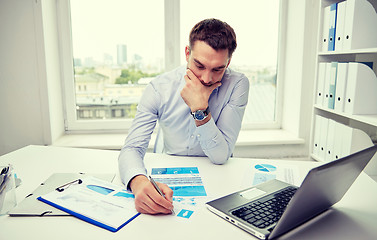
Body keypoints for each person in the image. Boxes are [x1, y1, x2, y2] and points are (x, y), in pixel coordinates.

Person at [118, 18, 249, 215]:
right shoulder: (159, 88)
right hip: (169, 170)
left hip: (217, 177)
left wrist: (200, 109)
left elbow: (221, 156)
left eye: (217, 69)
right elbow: (132, 148)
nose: (206, 78)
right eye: (199, 65)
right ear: (187, 53)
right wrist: (137, 182)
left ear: (228, 62)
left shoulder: (237, 84)